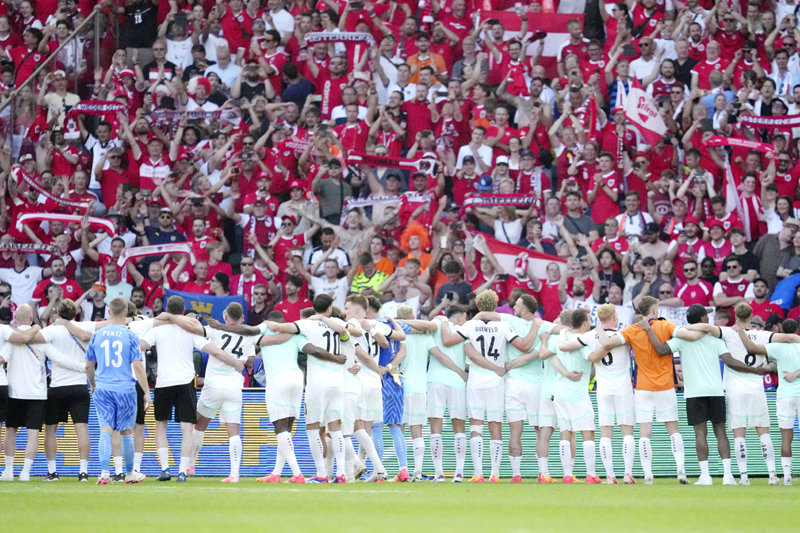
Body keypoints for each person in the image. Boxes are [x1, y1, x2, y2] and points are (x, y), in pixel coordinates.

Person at [139, 295, 245, 482]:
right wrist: (236, 363)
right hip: (186, 382)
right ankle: (182, 470)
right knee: (187, 427)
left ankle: (164, 469)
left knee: (160, 426)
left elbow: (140, 346)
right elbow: (215, 351)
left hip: (163, 382)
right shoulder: (190, 331)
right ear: (182, 311)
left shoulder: (157, 331)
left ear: (167, 309)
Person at [439, 289, 538, 482]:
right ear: (495, 305)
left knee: (476, 425)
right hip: (496, 379)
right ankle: (495, 473)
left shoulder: (470, 325)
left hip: (475, 378)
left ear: (478, 305)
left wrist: (443, 322)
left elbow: (448, 341)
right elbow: (524, 346)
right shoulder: (504, 326)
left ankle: (478, 473)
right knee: (495, 426)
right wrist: (535, 327)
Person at [601, 295, 691, 484]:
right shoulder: (665, 326)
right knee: (673, 429)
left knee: (644, 433)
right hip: (665, 385)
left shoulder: (632, 330)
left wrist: (598, 328)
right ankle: (681, 470)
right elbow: (685, 334)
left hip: (643, 387)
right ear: (655, 310)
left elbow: (608, 343)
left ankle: (648, 475)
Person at [560, 304, 637, 484]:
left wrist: (563, 332)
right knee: (627, 431)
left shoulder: (589, 336)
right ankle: (627, 473)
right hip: (623, 388)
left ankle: (610, 475)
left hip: (603, 389)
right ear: (615, 318)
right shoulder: (624, 335)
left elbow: (564, 347)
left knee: (605, 433)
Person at [84, 297, 151, 485]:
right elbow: (137, 366)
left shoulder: (98, 334)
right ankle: (129, 474)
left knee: (105, 430)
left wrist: (93, 383)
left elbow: (88, 365)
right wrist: (146, 391)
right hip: (125, 389)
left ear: (108, 312)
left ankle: (104, 474)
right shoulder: (130, 335)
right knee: (126, 432)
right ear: (126, 313)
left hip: (103, 387)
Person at [738, 318, 800, 486]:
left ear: (780, 329)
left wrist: (740, 331)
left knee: (786, 438)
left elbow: (752, 348)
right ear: (796, 330)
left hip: (785, 395)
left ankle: (787, 478)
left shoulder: (776, 347)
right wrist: (796, 373)